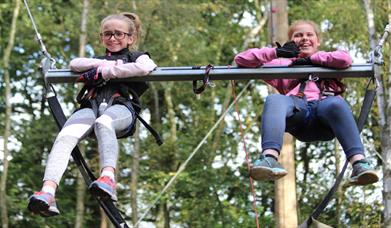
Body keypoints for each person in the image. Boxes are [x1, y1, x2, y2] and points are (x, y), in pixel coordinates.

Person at [28, 12, 157, 217]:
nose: (112, 38)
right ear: (101, 37)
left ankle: (108, 178)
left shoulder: (137, 56)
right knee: (65, 135)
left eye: (118, 34)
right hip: (92, 107)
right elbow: (75, 64)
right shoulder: (96, 59)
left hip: (121, 108)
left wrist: (106, 72)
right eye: (107, 34)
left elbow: (146, 67)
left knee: (104, 122)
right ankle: (48, 192)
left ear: (130, 38)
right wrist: (102, 65)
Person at [234, 20, 379, 186]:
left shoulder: (327, 60)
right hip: (298, 114)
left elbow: (345, 59)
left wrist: (312, 60)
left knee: (335, 103)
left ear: (318, 41)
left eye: (309, 35)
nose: (304, 38)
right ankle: (269, 158)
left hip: (325, 114)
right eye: (298, 35)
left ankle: (359, 163)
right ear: (291, 41)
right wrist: (277, 52)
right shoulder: (283, 64)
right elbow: (241, 60)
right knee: (275, 99)